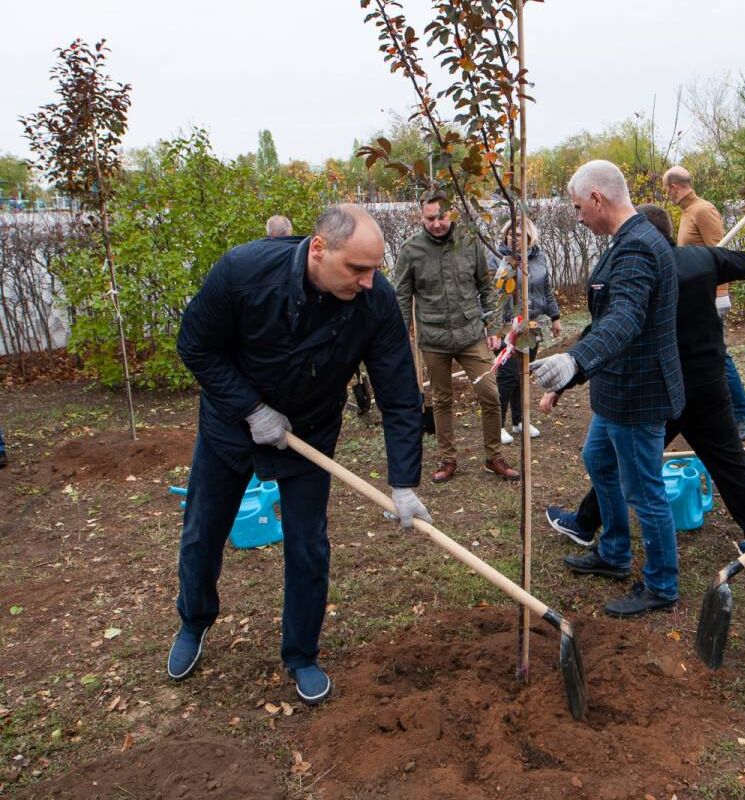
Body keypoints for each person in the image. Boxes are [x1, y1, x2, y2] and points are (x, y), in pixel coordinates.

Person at [172, 204, 431, 705]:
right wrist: (250, 408)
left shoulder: (373, 301)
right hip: (231, 425)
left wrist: (403, 481)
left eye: (375, 268)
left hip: (309, 433)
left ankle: (302, 654)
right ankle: (194, 619)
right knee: (203, 530)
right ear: (318, 248)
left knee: (308, 546)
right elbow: (195, 346)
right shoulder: (244, 273)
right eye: (356, 268)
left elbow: (399, 393)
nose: (368, 281)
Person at [544, 204, 745, 567]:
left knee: (627, 460)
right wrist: (713, 258)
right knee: (728, 459)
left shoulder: (637, 268)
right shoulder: (698, 259)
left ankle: (587, 522)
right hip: (706, 382)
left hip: (661, 384)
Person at [531, 160, 685, 618]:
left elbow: (625, 319)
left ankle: (661, 585)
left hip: (638, 394)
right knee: (598, 459)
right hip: (616, 388)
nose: (578, 217)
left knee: (644, 490)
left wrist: (575, 359)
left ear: (598, 198)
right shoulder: (625, 241)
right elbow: (606, 319)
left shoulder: (638, 247)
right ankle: (614, 554)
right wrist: (571, 375)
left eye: (579, 207)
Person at [395, 190, 519, 483]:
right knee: (441, 400)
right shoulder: (410, 250)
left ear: (451, 212)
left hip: (471, 335)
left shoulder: (469, 241)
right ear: (420, 217)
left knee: (490, 393)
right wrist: (400, 338)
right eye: (430, 218)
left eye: (442, 216)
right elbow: (401, 297)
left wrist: (493, 327)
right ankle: (447, 459)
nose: (437, 223)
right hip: (433, 339)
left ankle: (493, 456)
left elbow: (486, 288)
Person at [663, 165, 745, 441]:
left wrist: (721, 295)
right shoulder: (687, 213)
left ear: (674, 188)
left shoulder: (703, 210)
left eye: (667, 191)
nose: (667, 196)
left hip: (711, 296)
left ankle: (741, 414)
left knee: (719, 355)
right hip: (695, 297)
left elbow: (720, 255)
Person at [487, 218, 562, 445]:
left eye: (519, 235)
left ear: (529, 237)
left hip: (533, 324)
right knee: (508, 375)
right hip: (509, 324)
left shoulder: (538, 258)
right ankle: (498, 425)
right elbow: (494, 296)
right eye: (510, 234)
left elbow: (545, 289)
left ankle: (520, 421)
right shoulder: (498, 258)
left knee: (523, 374)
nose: (513, 238)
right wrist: (496, 329)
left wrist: (555, 316)